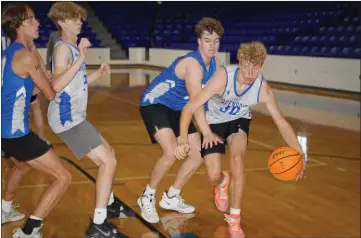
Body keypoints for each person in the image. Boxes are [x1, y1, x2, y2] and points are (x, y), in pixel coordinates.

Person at [175, 41, 306, 238]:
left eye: (256, 67)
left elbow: (281, 122)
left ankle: (235, 218)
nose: (251, 72)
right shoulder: (223, 78)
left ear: (262, 66)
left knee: (237, 160)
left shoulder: (262, 88)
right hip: (214, 123)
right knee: (213, 175)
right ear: (241, 61)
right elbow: (190, 108)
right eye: (247, 66)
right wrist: (182, 138)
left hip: (239, 121)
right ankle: (222, 182)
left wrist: (300, 153)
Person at [47, 2, 129, 237]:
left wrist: (96, 74)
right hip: (67, 120)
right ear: (62, 22)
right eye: (74, 19)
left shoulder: (71, 48)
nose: (80, 22)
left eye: (80, 19)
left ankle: (110, 202)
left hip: (75, 117)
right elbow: (56, 85)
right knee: (107, 162)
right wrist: (82, 59)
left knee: (109, 153)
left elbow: (75, 84)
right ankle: (98, 224)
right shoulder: (63, 49)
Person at [137, 17, 224, 223]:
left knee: (198, 154)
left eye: (216, 40)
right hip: (155, 103)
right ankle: (147, 196)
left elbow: (202, 101)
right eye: (207, 40)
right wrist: (204, 133)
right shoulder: (193, 65)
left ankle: (172, 196)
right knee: (171, 151)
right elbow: (196, 105)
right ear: (199, 42)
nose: (212, 45)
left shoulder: (214, 64)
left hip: (178, 108)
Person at [1, 4, 72, 237]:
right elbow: (49, 92)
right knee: (63, 177)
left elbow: (37, 83)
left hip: (5, 130)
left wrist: (36, 56)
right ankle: (30, 231)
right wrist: (74, 67)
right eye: (32, 20)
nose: (38, 23)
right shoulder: (26, 57)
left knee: (22, 165)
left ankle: (4, 210)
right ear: (19, 26)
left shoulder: (11, 52)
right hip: (15, 133)